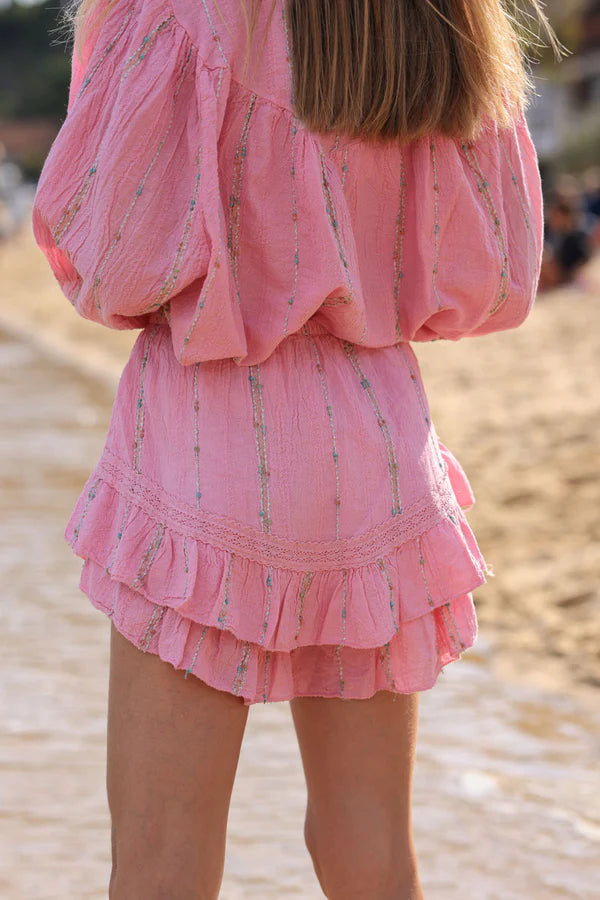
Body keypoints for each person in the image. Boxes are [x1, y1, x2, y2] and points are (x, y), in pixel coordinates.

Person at [31, 0, 554, 896]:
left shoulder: (184, 13)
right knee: (374, 854)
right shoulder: (443, 19)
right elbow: (500, 272)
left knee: (163, 862)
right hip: (378, 440)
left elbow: (108, 258)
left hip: (209, 435)